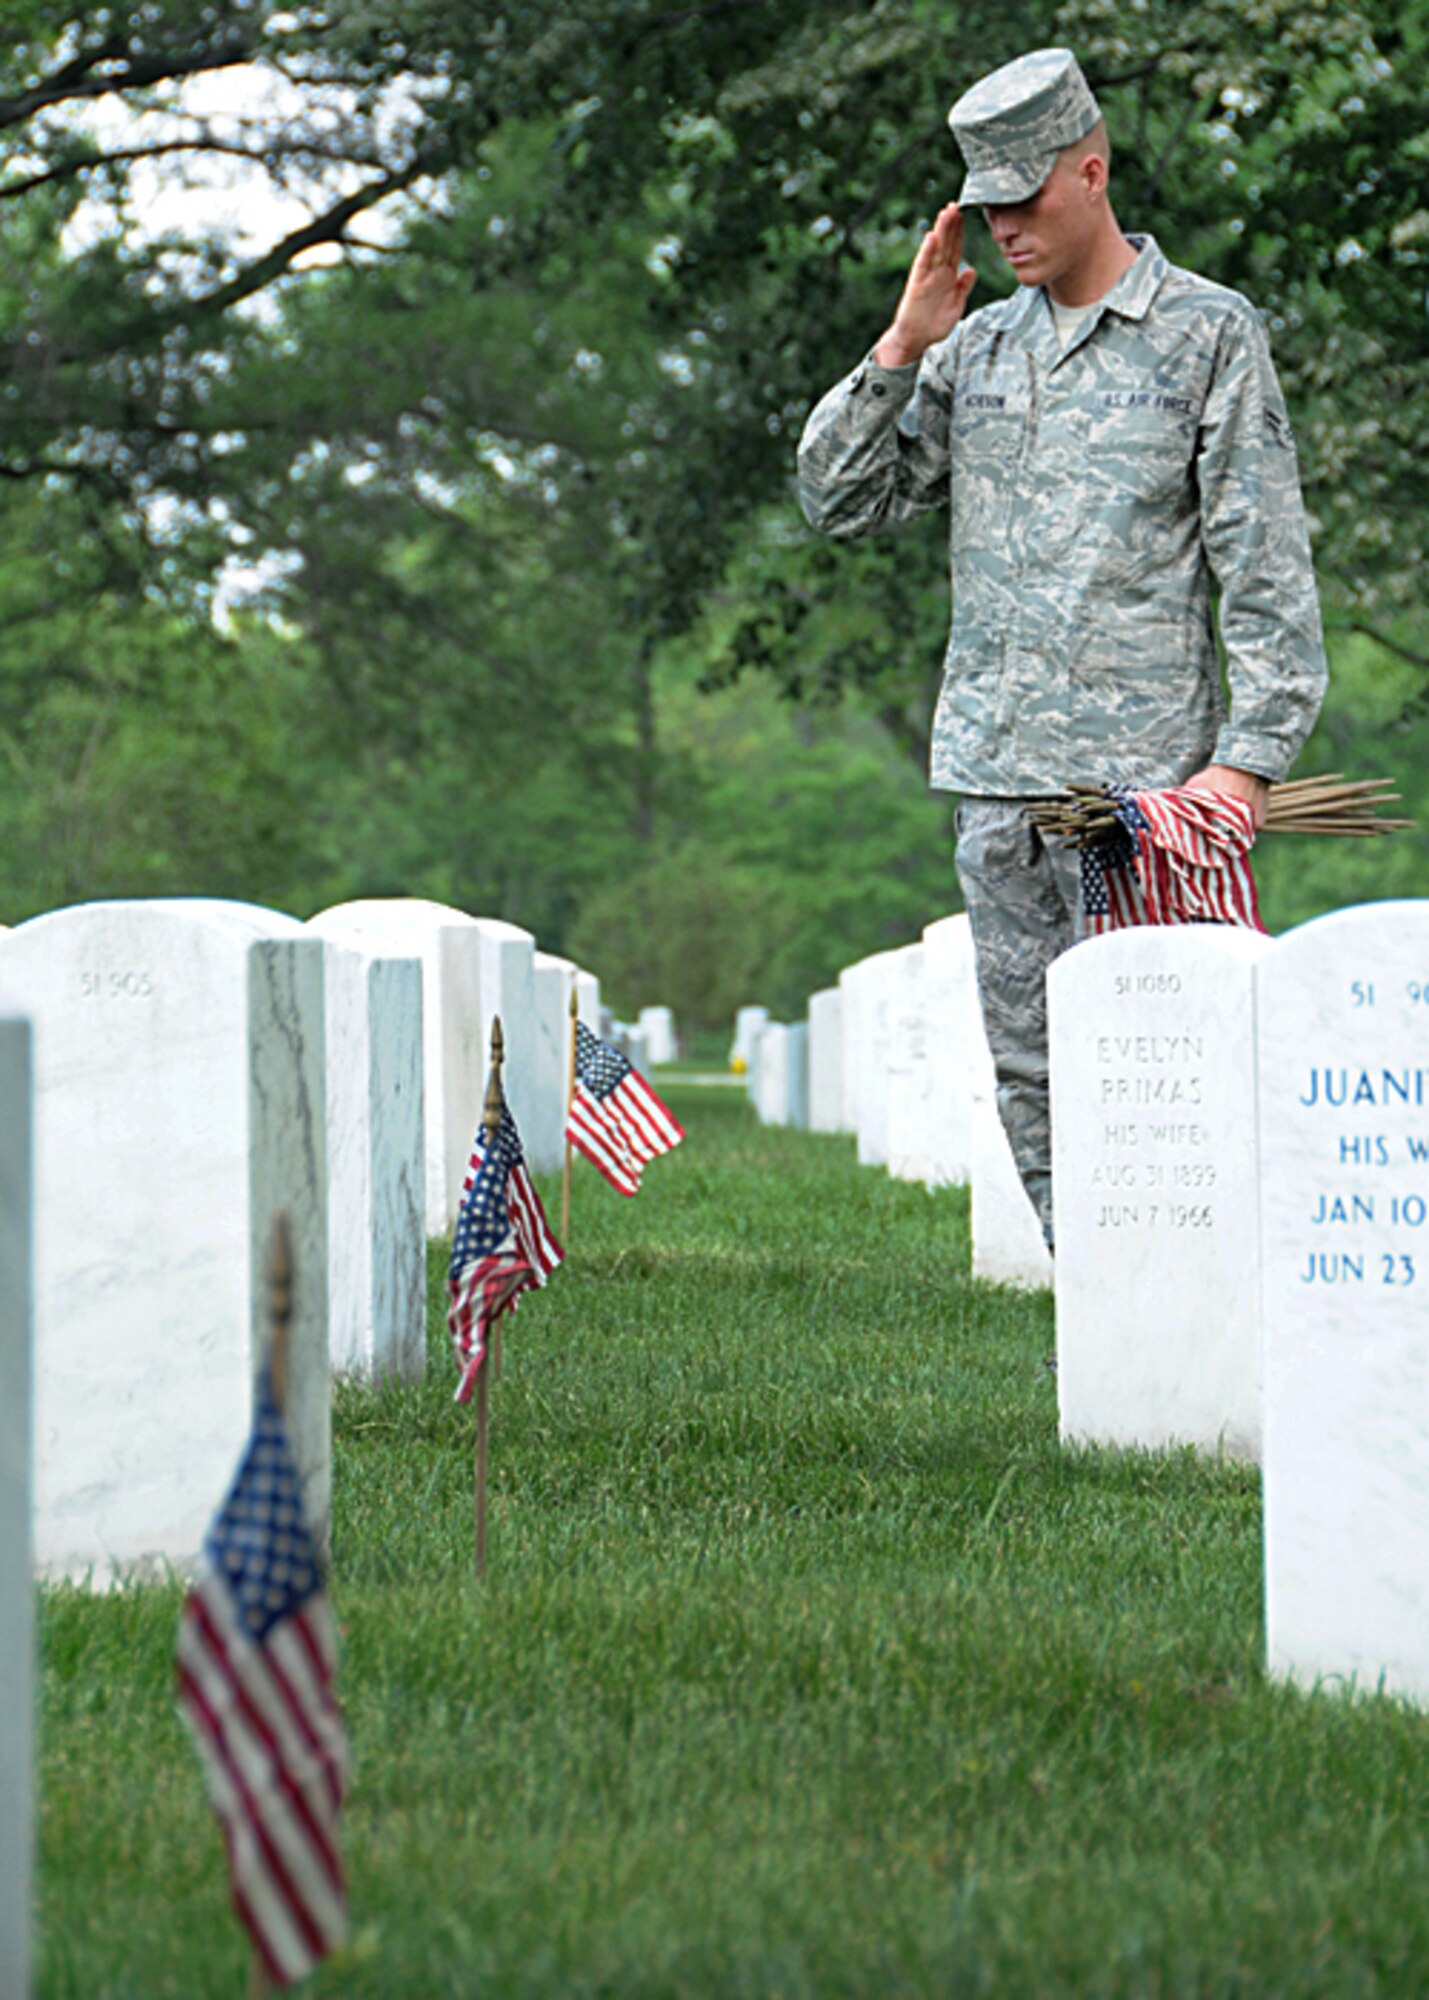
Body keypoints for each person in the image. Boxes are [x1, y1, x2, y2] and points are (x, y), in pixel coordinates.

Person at [797, 46, 1327, 1246]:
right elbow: (838, 501)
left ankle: (1204, 1344)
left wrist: (1245, 764)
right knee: (1034, 1087)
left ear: (1092, 170)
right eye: (984, 201)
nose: (1001, 224)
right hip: (998, 781)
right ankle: (1105, 1348)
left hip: (1140, 795)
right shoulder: (977, 351)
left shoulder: (1204, 335)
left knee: (1171, 1088)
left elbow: (1265, 569)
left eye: (1024, 195)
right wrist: (899, 346)